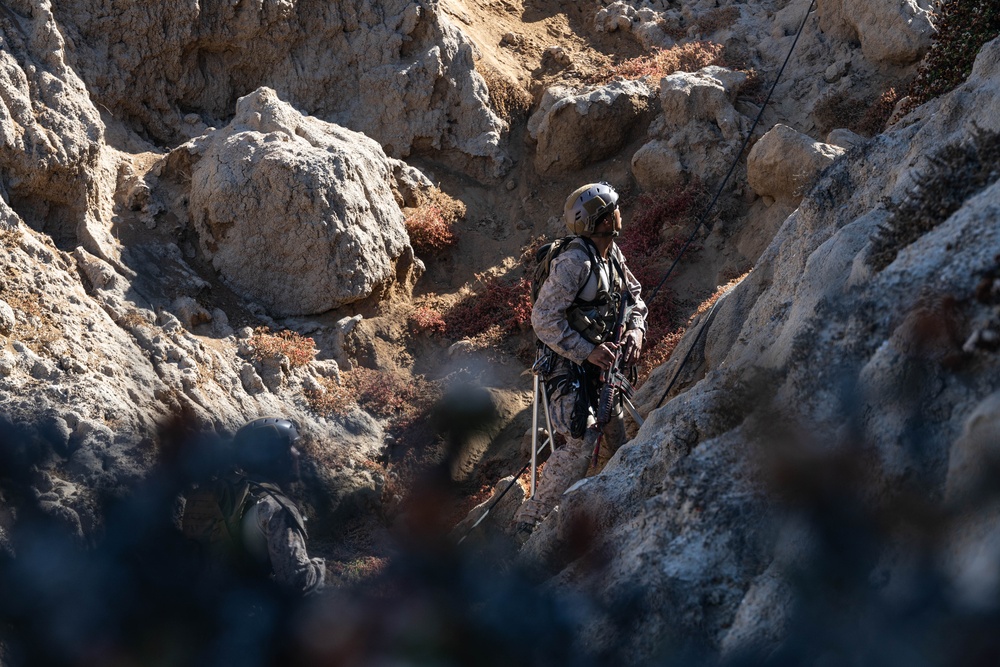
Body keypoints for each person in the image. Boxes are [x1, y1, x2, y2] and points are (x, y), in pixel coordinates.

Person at [515, 182, 647, 534]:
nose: (621, 212)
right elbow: (543, 320)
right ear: (602, 220)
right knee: (582, 439)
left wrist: (635, 330)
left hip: (602, 365)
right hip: (566, 365)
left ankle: (613, 506)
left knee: (616, 440)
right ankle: (531, 521)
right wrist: (587, 351)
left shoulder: (612, 254)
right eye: (614, 209)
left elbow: (634, 297)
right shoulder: (574, 262)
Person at [181, 417, 326, 595]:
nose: (298, 453)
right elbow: (298, 582)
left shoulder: (231, 494)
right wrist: (323, 568)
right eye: (291, 446)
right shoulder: (277, 508)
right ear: (278, 456)